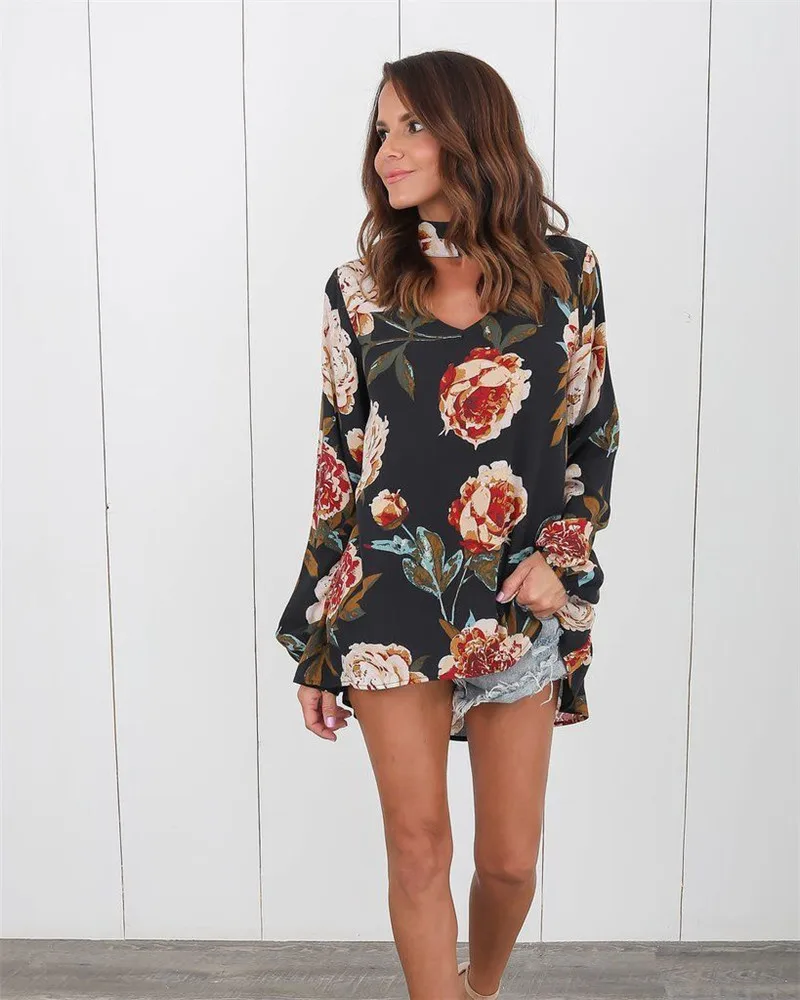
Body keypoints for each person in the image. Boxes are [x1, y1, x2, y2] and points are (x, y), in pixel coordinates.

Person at [274, 50, 621, 1000]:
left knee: (508, 864)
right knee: (419, 850)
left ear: (472, 132)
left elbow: (594, 433)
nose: (387, 149)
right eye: (381, 130)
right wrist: (316, 639)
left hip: (515, 597)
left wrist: (561, 561)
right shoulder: (358, 291)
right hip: (387, 598)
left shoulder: (567, 276)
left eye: (413, 125)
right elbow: (339, 466)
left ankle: (478, 987)